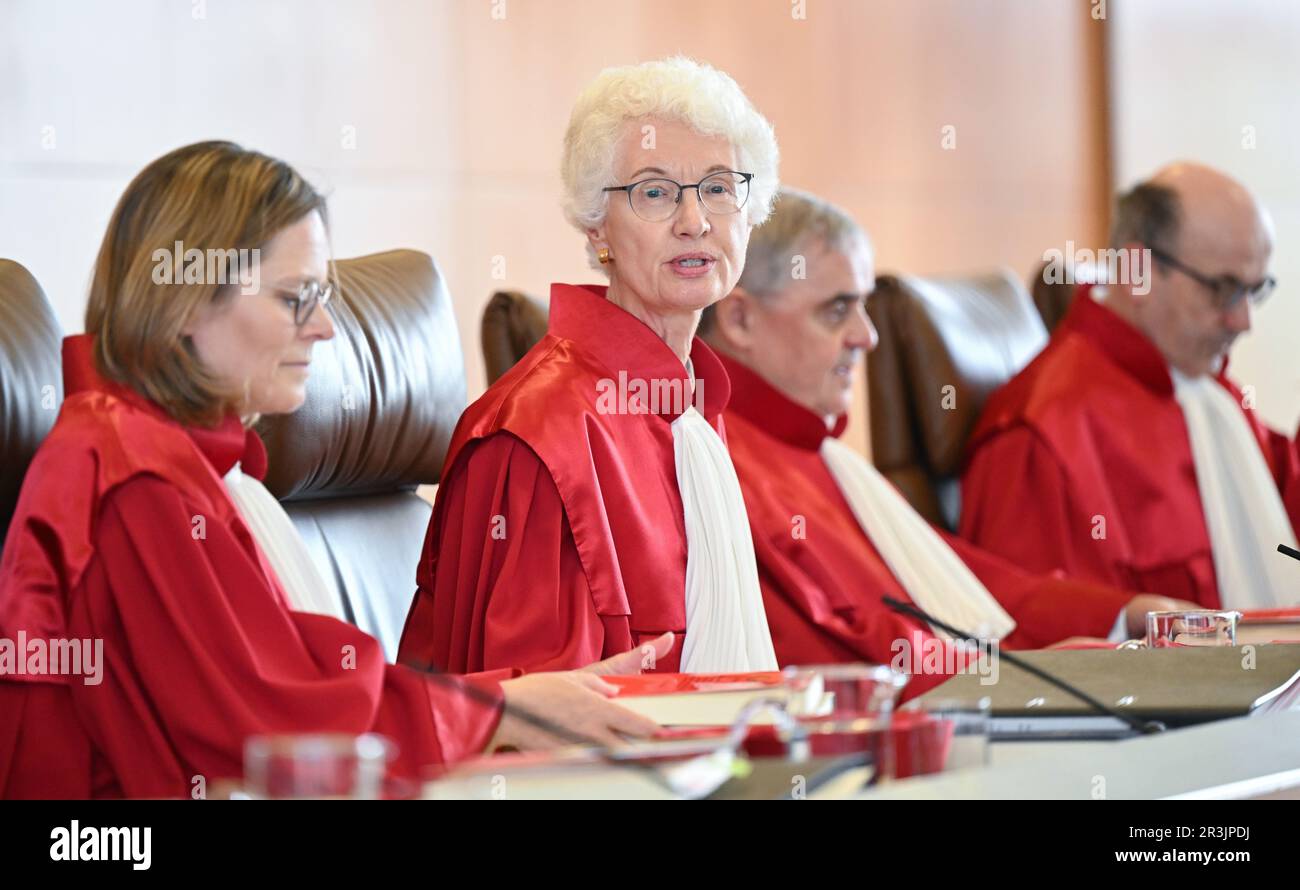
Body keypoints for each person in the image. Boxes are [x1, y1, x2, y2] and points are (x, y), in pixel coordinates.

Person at [0, 141, 663, 800]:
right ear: (187, 302)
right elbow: (265, 737)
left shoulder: (157, 453)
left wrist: (515, 701)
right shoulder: (133, 478)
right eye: (295, 298)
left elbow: (291, 683)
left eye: (322, 297)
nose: (323, 327)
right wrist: (509, 711)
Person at [699, 188, 1184, 678]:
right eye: (837, 310)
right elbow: (839, 659)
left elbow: (973, 584)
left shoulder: (822, 454)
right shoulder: (720, 468)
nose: (867, 336)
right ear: (739, 318)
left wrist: (1126, 615)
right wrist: (1035, 670)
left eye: (864, 307)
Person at [399, 57, 781, 675]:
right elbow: (543, 731)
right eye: (654, 192)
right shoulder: (539, 436)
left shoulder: (691, 407)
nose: (694, 222)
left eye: (717, 187)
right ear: (596, 224)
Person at [961, 163, 1300, 609]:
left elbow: (1285, 527)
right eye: (1222, 289)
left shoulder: (1207, 392)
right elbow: (1051, 652)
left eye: (1254, 291)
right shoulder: (1042, 436)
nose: (1243, 321)